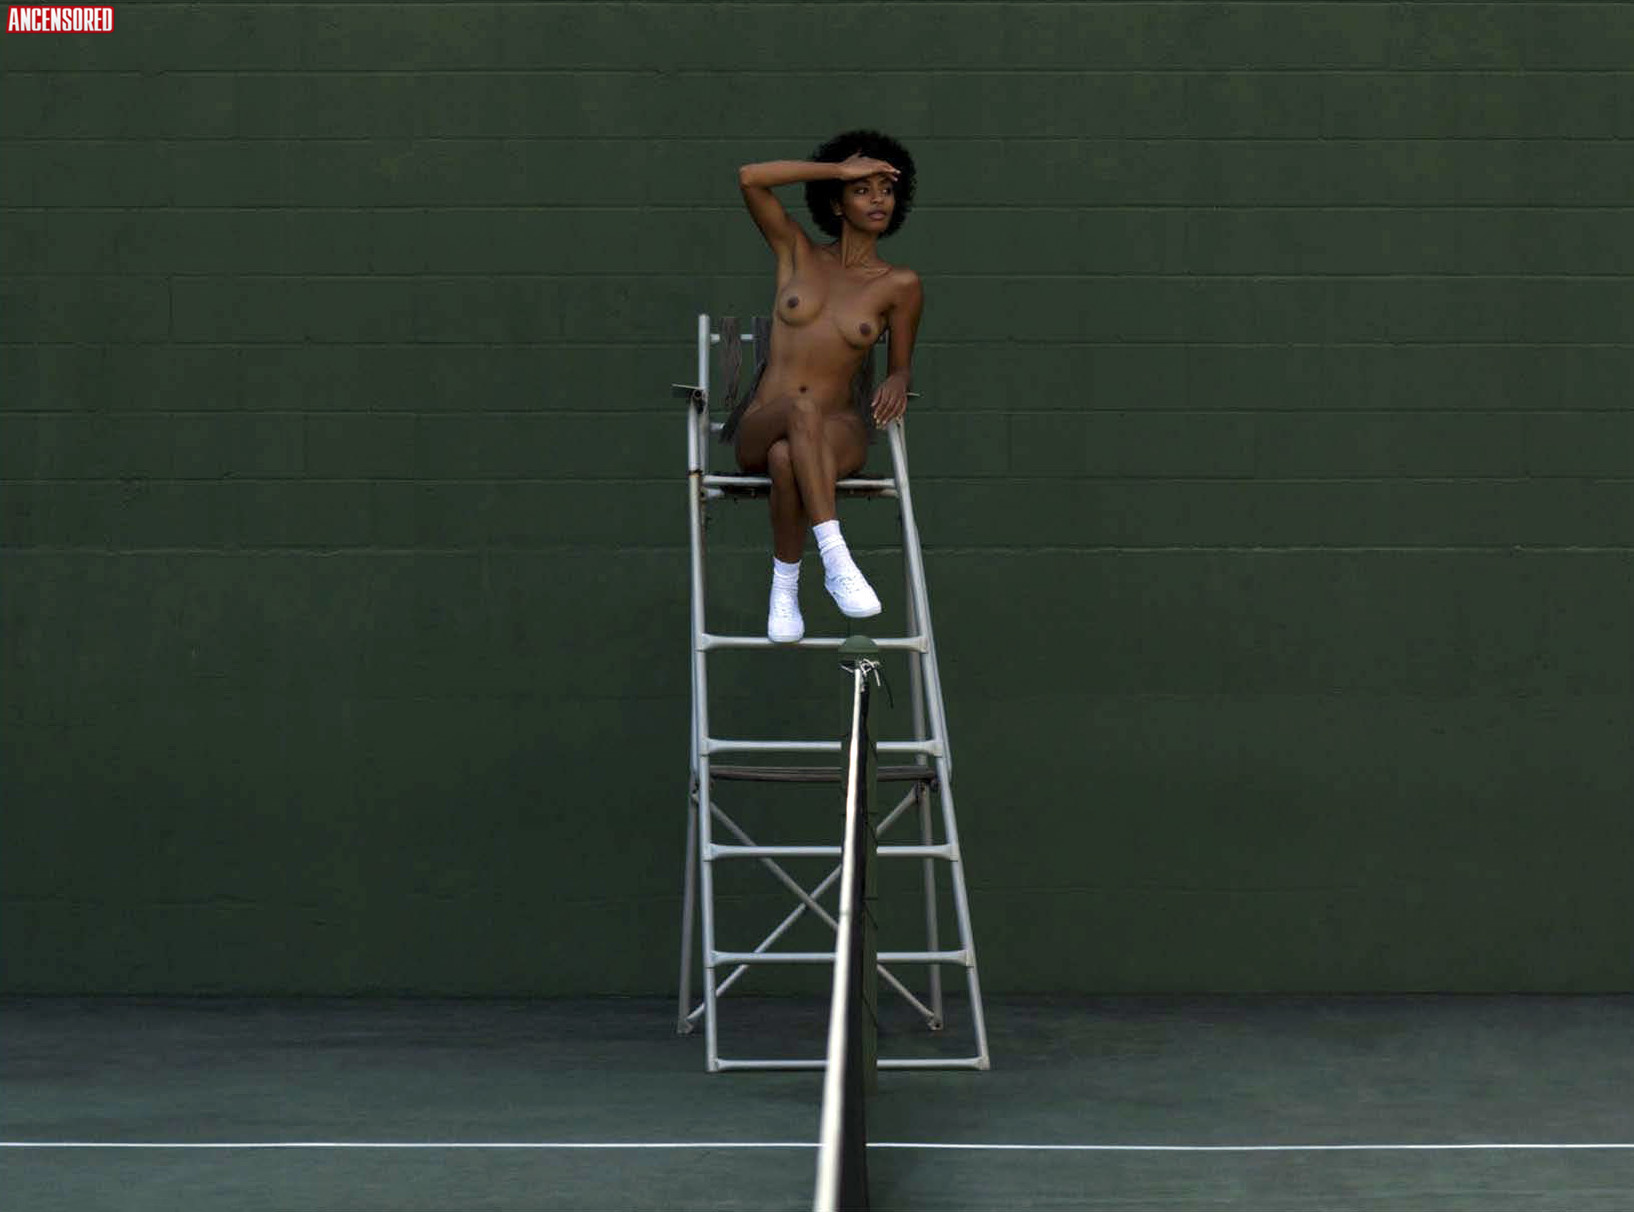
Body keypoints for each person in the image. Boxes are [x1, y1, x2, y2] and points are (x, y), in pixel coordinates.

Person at [727, 130, 923, 644]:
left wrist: (898, 378)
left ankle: (784, 588)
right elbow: (750, 178)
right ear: (836, 203)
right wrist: (837, 169)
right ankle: (836, 557)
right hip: (766, 420)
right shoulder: (796, 251)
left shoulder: (900, 284)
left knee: (787, 458)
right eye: (862, 188)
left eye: (886, 189)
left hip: (838, 430)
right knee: (798, 411)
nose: (878, 198)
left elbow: (902, 367)